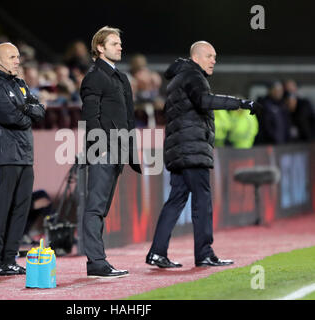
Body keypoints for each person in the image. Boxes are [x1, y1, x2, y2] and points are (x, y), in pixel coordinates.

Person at [146, 41, 262, 268]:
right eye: (209, 56)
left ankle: (157, 253)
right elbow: (203, 101)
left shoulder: (179, 78)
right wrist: (239, 103)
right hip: (191, 149)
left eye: (215, 57)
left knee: (176, 199)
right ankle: (204, 253)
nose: (213, 61)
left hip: (179, 148)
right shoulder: (192, 76)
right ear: (196, 57)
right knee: (202, 199)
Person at [0, 42, 45, 276]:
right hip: (2, 154)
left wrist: (26, 109)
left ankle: (9, 259)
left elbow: (40, 111)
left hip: (24, 154)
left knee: (20, 209)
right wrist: (27, 111)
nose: (17, 60)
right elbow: (13, 117)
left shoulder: (19, 83)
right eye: (12, 57)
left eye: (17, 56)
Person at [80, 26, 141, 278]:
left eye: (119, 43)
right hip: (104, 150)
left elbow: (128, 119)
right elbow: (90, 118)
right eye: (114, 43)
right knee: (95, 207)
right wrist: (100, 148)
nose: (120, 47)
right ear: (100, 48)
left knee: (101, 208)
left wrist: (129, 152)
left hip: (117, 150)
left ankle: (98, 260)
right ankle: (96, 261)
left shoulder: (120, 77)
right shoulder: (95, 77)